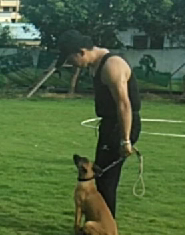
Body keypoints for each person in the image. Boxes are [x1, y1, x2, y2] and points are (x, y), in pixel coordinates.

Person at [57, 30, 141, 219]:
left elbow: (124, 104)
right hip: (110, 124)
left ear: (81, 52)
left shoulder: (112, 65)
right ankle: (99, 223)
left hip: (121, 125)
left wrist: (125, 139)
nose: (72, 64)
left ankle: (104, 228)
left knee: (105, 179)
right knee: (101, 177)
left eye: (71, 60)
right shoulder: (96, 64)